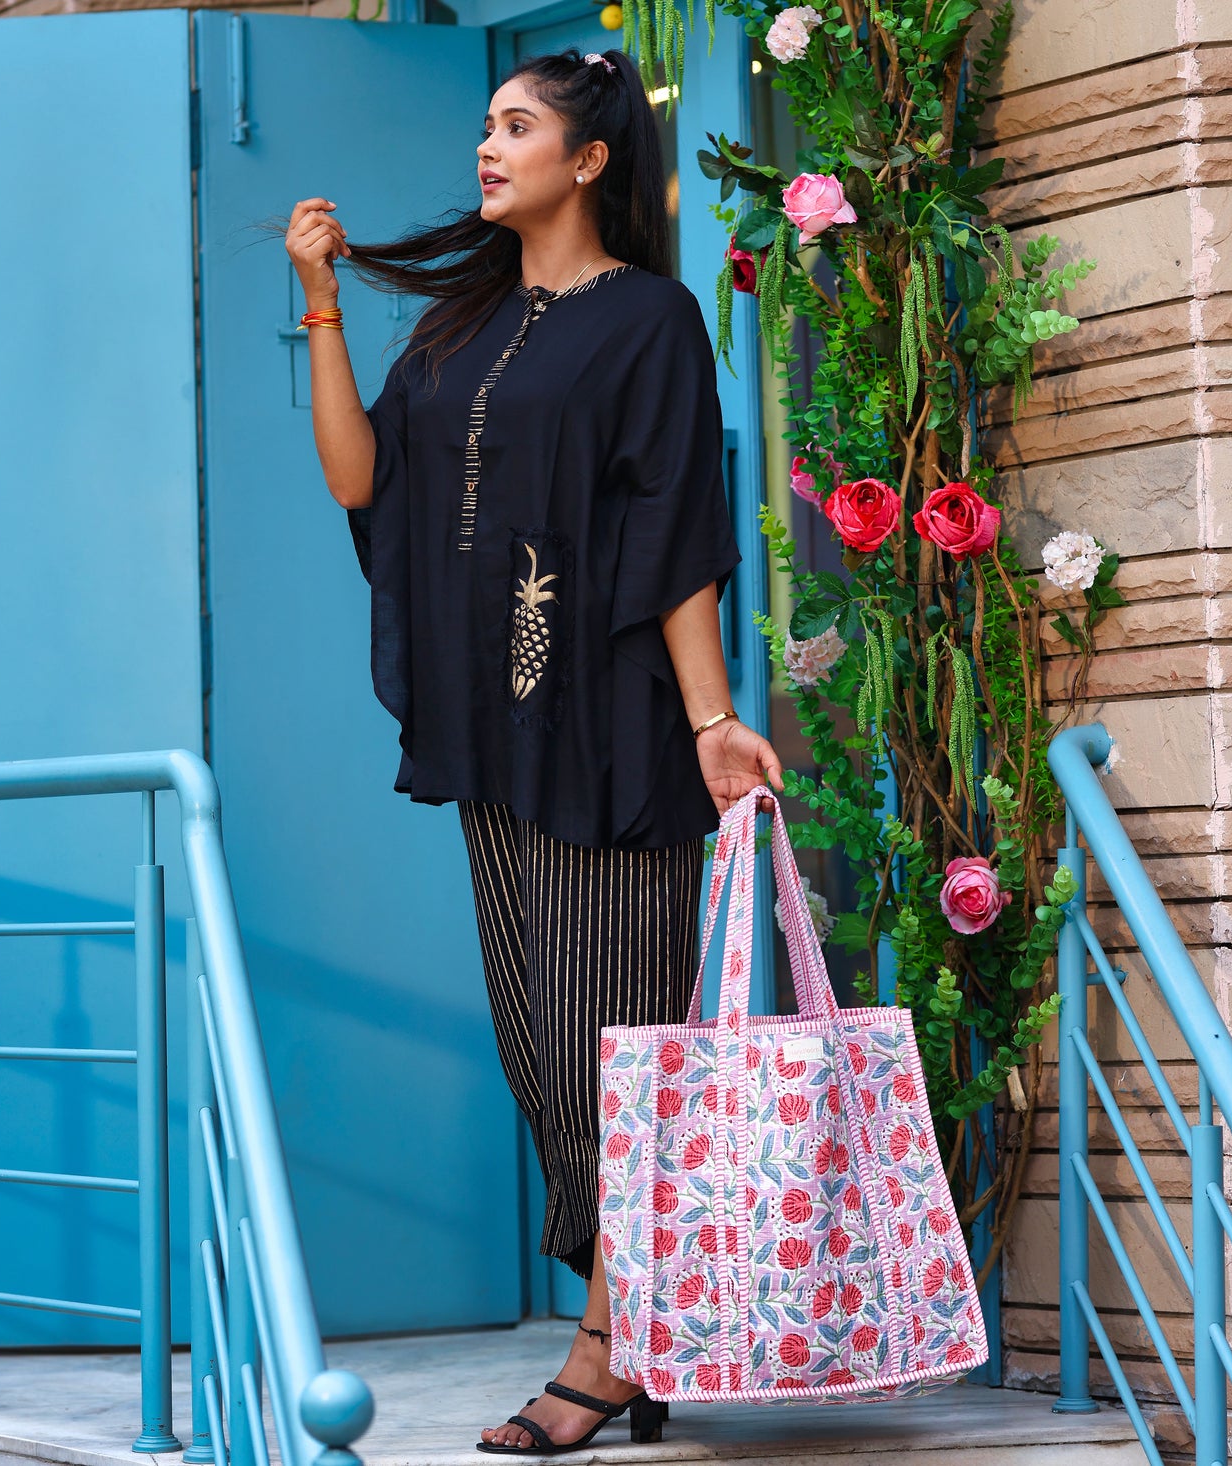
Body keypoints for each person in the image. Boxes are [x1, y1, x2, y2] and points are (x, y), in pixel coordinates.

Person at [284, 45, 784, 1456]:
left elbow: (674, 532)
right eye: (485, 128)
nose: (488, 149)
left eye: (515, 127)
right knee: (543, 1057)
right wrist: (321, 308)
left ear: (590, 160)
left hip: (613, 729)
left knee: (612, 1052)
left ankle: (612, 1348)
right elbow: (360, 480)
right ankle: (643, 1315)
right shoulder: (458, 330)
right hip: (491, 732)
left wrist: (707, 721)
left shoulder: (651, 322)